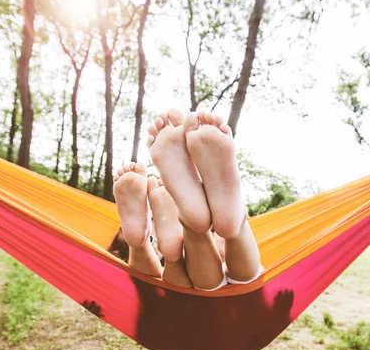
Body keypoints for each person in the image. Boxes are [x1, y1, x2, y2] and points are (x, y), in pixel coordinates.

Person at [110, 108, 261, 291]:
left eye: (152, 222)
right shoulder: (171, 248)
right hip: (223, 285)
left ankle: (180, 232)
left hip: (184, 286)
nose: (156, 240)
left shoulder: (174, 250)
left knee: (180, 267)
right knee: (242, 272)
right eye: (151, 238)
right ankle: (235, 222)